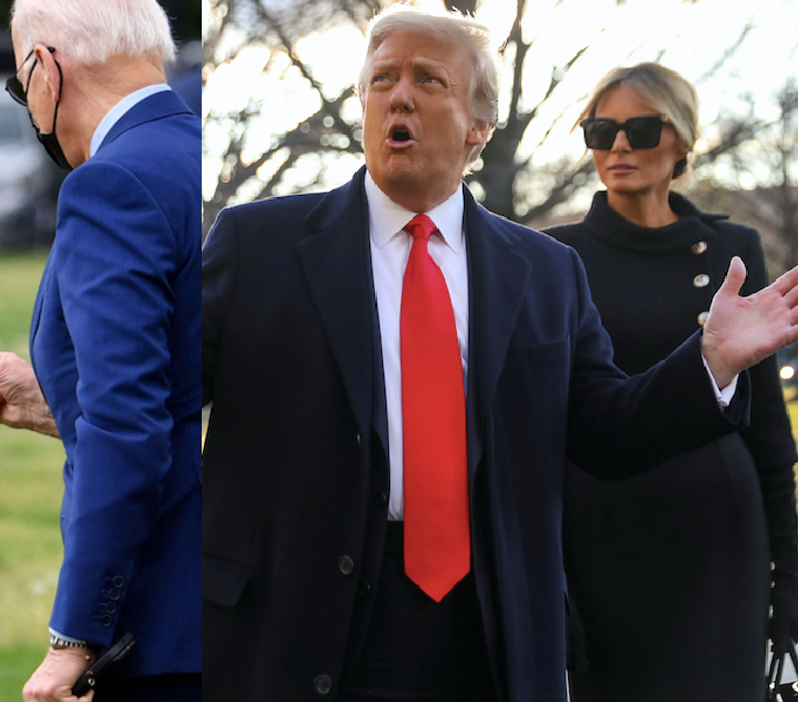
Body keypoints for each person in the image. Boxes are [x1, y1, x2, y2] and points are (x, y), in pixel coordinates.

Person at [201, 6, 798, 702]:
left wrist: (711, 363)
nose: (398, 95)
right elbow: (164, 388)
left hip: (488, 623)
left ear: (477, 128)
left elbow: (603, 428)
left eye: (429, 80)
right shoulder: (257, 244)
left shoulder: (543, 270)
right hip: (300, 618)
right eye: (381, 78)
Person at [0, 1, 201, 701]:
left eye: (18, 80)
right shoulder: (197, 156)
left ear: (43, 68)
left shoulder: (111, 183)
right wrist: (57, 400)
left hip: (166, 622)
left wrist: (72, 640)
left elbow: (129, 428)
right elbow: (191, 388)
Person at [544, 62, 798, 702]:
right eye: (601, 130)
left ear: (683, 139)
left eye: (640, 127)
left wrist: (789, 579)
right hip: (602, 541)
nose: (619, 145)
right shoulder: (551, 256)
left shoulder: (730, 248)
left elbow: (768, 427)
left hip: (720, 538)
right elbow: (543, 430)